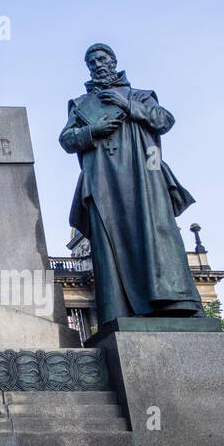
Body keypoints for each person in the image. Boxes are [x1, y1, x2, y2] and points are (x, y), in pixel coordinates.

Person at [58, 43, 204, 325]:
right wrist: (92, 131)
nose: (97, 64)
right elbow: (66, 140)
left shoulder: (141, 96)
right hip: (104, 180)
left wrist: (127, 105)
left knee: (155, 235)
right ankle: (120, 309)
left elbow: (164, 120)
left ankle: (169, 301)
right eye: (91, 61)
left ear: (113, 61)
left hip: (144, 177)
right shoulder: (80, 105)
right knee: (109, 241)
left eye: (102, 58)